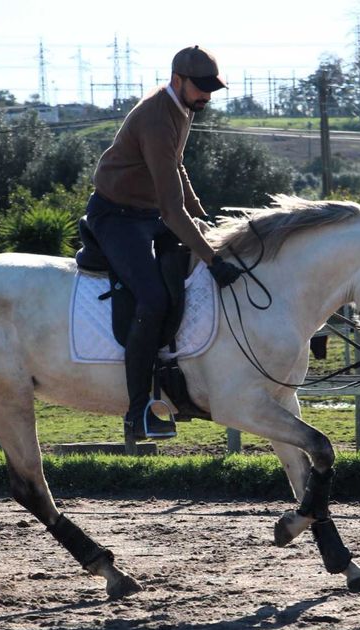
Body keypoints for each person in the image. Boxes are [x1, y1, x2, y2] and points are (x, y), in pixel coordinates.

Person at [85, 45, 243, 441]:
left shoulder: (182, 108)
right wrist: (211, 258)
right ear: (178, 80)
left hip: (146, 212)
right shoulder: (158, 117)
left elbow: (176, 166)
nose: (208, 95)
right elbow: (173, 213)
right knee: (152, 298)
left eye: (212, 88)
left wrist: (202, 215)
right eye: (201, 88)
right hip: (117, 217)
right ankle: (137, 412)